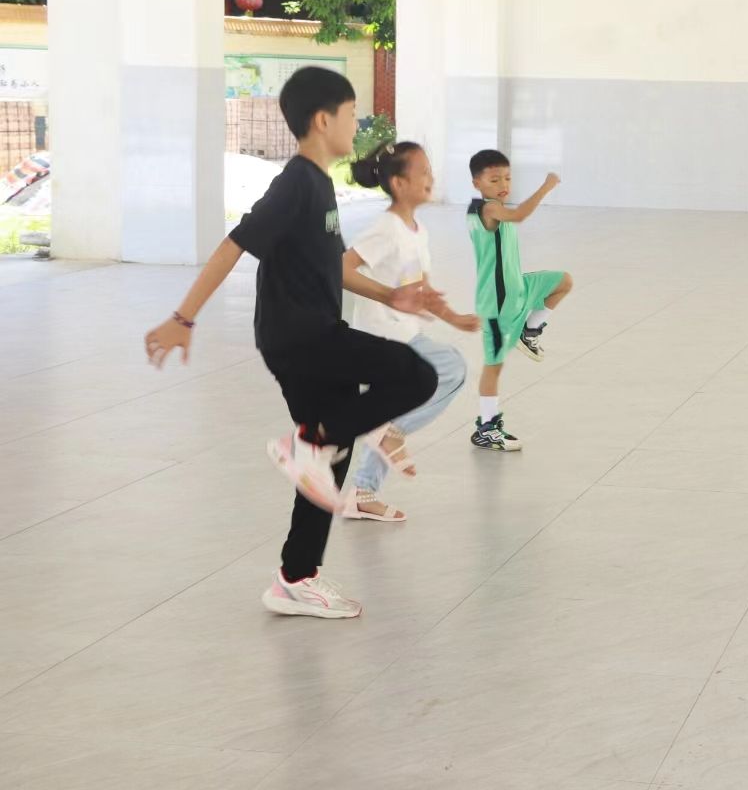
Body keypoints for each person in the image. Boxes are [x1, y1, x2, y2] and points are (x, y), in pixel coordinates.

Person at [144, 67, 441, 618]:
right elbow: (235, 243)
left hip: (310, 333)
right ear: (323, 120)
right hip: (301, 337)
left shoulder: (320, 184)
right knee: (418, 375)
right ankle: (309, 442)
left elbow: (334, 268)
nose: (357, 124)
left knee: (329, 459)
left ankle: (296, 577)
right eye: (352, 114)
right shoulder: (297, 182)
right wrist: (183, 318)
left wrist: (391, 296)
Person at [343, 140, 478, 521]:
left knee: (390, 410)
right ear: (399, 184)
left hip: (401, 332)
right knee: (451, 367)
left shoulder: (417, 231)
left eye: (430, 171)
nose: (431, 178)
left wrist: (456, 319)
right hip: (381, 336)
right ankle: (389, 434)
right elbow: (341, 268)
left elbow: (423, 291)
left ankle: (362, 493)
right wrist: (388, 296)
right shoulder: (386, 228)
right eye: (423, 173)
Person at [466, 150, 574, 451]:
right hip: (497, 304)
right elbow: (520, 215)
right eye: (494, 179)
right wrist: (546, 186)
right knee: (494, 365)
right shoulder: (488, 209)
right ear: (477, 183)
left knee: (563, 281)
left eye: (507, 178)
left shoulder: (496, 207)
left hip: (519, 289)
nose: (503, 184)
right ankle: (487, 428)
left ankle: (530, 331)